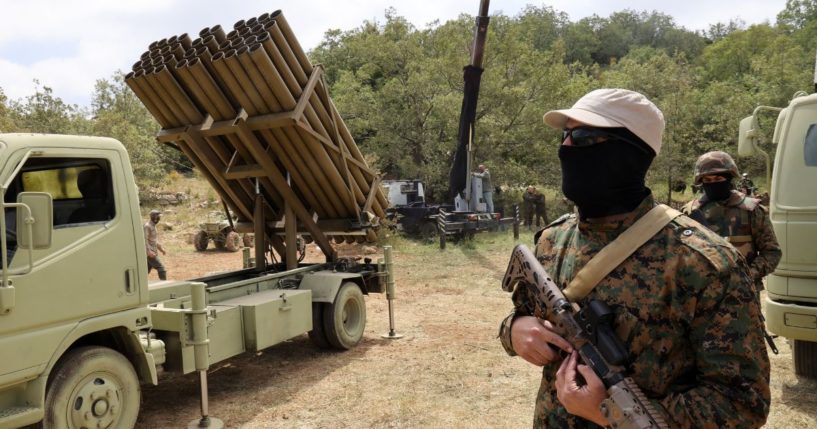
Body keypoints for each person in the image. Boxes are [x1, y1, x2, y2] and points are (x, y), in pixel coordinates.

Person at [498, 88, 770, 428]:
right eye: (564, 135)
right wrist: (515, 330)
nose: (565, 148)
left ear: (631, 154)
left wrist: (609, 414)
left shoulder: (702, 262)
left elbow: (743, 403)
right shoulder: (554, 238)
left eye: (582, 137)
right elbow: (523, 313)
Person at [682, 151, 781, 291]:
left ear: (729, 178)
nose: (713, 184)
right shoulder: (690, 212)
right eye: (707, 180)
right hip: (703, 295)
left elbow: (772, 253)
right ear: (701, 182)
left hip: (743, 294)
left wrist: (747, 275)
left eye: (718, 178)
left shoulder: (751, 210)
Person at [145, 209, 167, 280]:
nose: (159, 218)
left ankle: (139, 284)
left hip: (153, 252)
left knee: (145, 271)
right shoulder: (147, 226)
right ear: (154, 217)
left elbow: (154, 240)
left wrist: (161, 249)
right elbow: (144, 240)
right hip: (150, 253)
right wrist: (148, 252)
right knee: (161, 269)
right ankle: (164, 284)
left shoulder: (153, 226)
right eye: (158, 217)